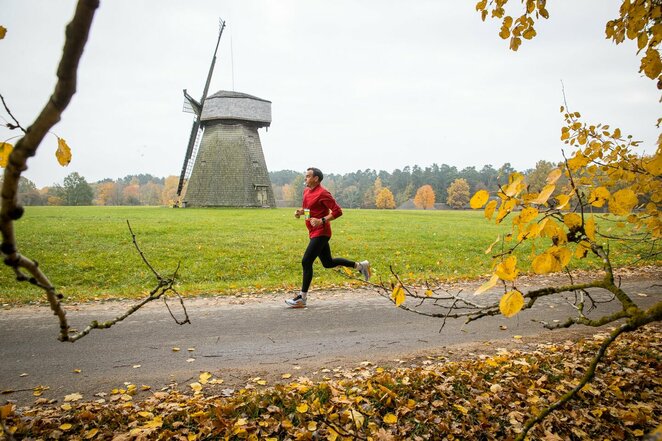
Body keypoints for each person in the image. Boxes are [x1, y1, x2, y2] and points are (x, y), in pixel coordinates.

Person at [286, 167, 371, 308]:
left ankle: (302, 298)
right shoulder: (306, 191)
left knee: (306, 261)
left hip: (322, 232)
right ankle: (360, 266)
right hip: (313, 231)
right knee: (328, 262)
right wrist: (301, 213)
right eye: (305, 176)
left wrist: (322, 220)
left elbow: (338, 211)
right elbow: (309, 211)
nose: (305, 179)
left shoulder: (323, 193)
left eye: (308, 176)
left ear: (316, 179)